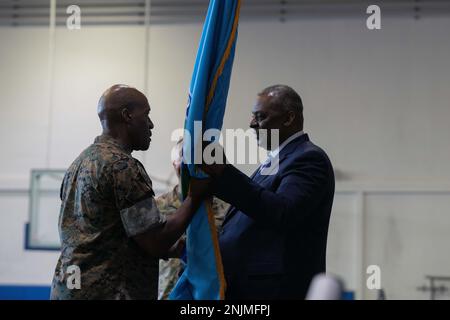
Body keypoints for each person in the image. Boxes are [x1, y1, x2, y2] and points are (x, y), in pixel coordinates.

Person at [50, 84, 210, 300]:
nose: (151, 124)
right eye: (147, 115)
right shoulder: (122, 166)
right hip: (107, 292)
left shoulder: (80, 163)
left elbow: (109, 234)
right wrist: (194, 197)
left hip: (70, 289)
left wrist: (176, 248)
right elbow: (155, 241)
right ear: (127, 116)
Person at [202, 85, 335, 299]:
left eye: (260, 116)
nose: (251, 124)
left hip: (274, 289)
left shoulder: (308, 158)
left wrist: (225, 172)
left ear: (289, 118)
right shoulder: (276, 160)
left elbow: (283, 212)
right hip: (247, 286)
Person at [157, 137, 229, 299]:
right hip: (169, 292)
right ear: (175, 165)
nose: (193, 171)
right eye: (185, 164)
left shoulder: (229, 209)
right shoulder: (157, 207)